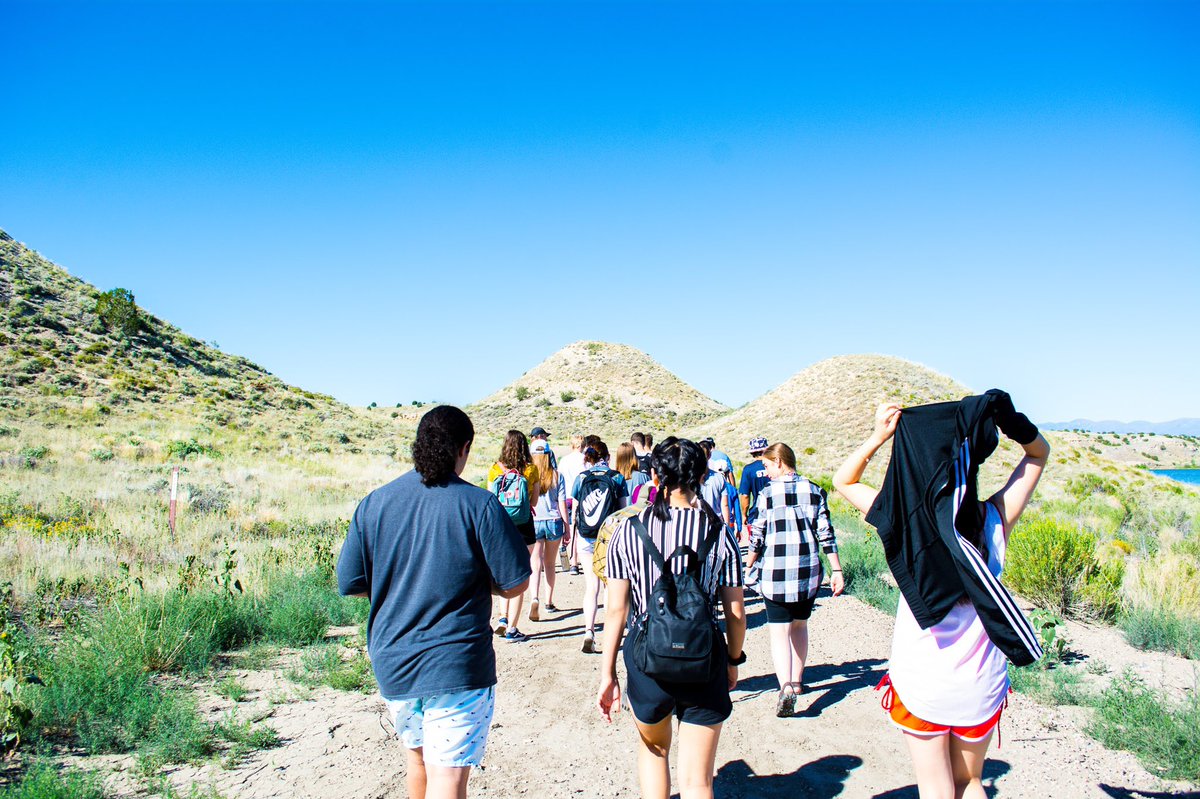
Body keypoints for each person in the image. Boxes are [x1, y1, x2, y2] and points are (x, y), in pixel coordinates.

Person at [833, 400, 1050, 799]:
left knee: (935, 787)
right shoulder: (993, 521)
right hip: (980, 685)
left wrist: (880, 436)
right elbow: (1038, 455)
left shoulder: (903, 520)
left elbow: (843, 481)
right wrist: (1011, 423)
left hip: (923, 684)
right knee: (970, 782)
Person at [337, 405, 530, 799]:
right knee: (448, 778)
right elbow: (514, 584)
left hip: (395, 662)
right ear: (464, 448)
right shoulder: (479, 505)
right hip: (457, 663)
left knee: (418, 763)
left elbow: (352, 583)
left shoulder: (375, 503)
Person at [597, 437, 746, 799]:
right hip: (703, 657)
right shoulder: (720, 534)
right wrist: (732, 659)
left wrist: (608, 674)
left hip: (648, 660)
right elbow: (736, 613)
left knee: (655, 752)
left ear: (654, 475)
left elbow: (616, 610)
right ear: (701, 475)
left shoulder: (627, 532)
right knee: (698, 782)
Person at [743, 443, 844, 717]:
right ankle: (798, 682)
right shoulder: (814, 490)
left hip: (775, 571)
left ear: (778, 461)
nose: (765, 472)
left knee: (779, 632)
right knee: (799, 626)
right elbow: (826, 533)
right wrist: (836, 570)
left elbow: (758, 534)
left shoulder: (766, 495)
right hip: (806, 570)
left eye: (767, 466)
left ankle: (785, 686)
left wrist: (748, 563)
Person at [572, 441, 627, 653]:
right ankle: (608, 634)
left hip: (586, 538)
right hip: (609, 538)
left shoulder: (581, 478)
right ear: (607, 456)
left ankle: (588, 631)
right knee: (608, 587)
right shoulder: (616, 477)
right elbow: (623, 511)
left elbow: (575, 511)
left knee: (591, 587)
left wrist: (572, 537)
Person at [487, 430, 541, 642]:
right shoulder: (531, 470)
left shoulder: (494, 469)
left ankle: (502, 617)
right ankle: (512, 628)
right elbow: (534, 502)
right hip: (525, 526)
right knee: (521, 575)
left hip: (501, 525)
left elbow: (490, 500)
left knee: (503, 572)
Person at [529, 447, 569, 619]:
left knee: (535, 563)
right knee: (550, 564)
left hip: (535, 521)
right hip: (553, 521)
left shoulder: (529, 474)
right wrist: (567, 528)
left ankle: (534, 598)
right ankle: (549, 602)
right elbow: (561, 504)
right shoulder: (557, 476)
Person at [557, 434, 587, 572]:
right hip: (582, 498)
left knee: (570, 527)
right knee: (580, 529)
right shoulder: (585, 461)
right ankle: (578, 559)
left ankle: (571, 560)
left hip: (567, 497)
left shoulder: (564, 460)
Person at [738, 437, 771, 540]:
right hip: (777, 510)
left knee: (756, 544)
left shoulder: (748, 470)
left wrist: (744, 514)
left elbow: (745, 496)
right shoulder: (775, 466)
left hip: (757, 513)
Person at [697, 439, 732, 528]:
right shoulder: (719, 477)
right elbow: (724, 505)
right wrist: (727, 526)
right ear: (709, 456)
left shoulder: (690, 478)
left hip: (696, 522)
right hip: (716, 524)